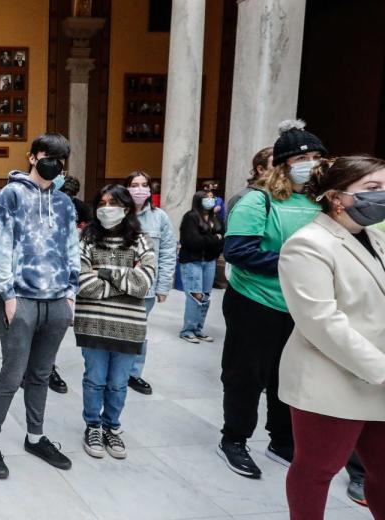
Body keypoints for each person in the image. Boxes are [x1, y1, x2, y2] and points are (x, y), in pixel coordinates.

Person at [279, 155, 385, 518]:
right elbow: (322, 321)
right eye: (373, 188)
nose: (383, 196)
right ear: (337, 197)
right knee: (317, 470)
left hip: (377, 378)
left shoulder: (373, 237)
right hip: (331, 380)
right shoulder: (308, 244)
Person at [219, 119, 326, 478]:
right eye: (303, 157)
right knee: (246, 375)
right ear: (283, 164)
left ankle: (282, 440)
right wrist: (295, 263)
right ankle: (233, 439)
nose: (310, 163)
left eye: (316, 157)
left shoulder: (320, 202)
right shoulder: (257, 201)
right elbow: (238, 251)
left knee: (289, 377)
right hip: (256, 302)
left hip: (301, 306)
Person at [0, 133, 79, 480]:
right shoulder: (11, 195)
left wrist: (70, 294)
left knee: (40, 374)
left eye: (60, 159)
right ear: (33, 156)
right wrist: (8, 295)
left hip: (56, 301)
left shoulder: (65, 203)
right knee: (12, 374)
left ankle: (34, 437)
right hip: (21, 299)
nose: (54, 163)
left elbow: (72, 248)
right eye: (48, 155)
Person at [75, 184, 156, 460]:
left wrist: (105, 272)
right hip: (93, 323)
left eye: (113, 203)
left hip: (129, 325)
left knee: (119, 383)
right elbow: (84, 284)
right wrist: (125, 278)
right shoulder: (87, 238)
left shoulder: (140, 240)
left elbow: (144, 283)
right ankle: (93, 425)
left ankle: (112, 427)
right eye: (102, 202)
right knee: (95, 380)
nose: (107, 209)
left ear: (126, 208)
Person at [123, 171, 176, 396]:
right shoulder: (117, 214)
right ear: (126, 188)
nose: (140, 189)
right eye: (134, 185)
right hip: (118, 284)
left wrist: (164, 286)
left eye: (144, 185)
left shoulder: (160, 217)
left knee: (138, 331)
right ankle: (115, 370)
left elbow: (167, 252)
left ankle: (133, 373)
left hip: (146, 286)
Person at [178, 191, 225, 343]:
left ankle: (198, 329)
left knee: (205, 296)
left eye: (212, 197)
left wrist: (212, 240)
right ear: (199, 200)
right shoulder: (190, 217)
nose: (211, 200)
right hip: (192, 261)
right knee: (195, 296)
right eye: (207, 197)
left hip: (210, 261)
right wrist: (214, 239)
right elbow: (192, 242)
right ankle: (188, 330)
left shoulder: (215, 218)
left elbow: (222, 239)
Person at [227, 147, 273, 214]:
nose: (282, 170)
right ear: (261, 169)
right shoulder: (242, 198)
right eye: (276, 165)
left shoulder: (285, 197)